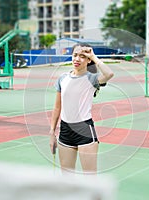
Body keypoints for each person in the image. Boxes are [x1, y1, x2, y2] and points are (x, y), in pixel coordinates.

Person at [49, 43, 114, 174]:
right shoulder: (63, 79)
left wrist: (93, 56)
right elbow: (57, 108)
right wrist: (52, 132)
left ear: (88, 60)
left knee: (90, 178)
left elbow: (109, 73)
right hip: (65, 131)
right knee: (67, 178)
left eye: (82, 56)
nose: (77, 59)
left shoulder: (92, 79)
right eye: (75, 55)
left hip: (84, 130)